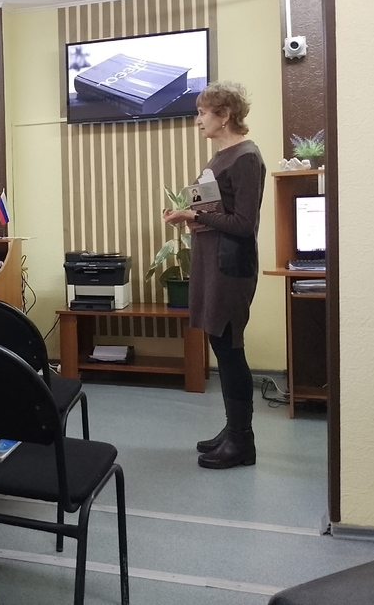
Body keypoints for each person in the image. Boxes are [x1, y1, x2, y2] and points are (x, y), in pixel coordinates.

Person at [162, 82, 266, 470]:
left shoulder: (246, 157)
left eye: (203, 113)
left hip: (231, 267)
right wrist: (190, 216)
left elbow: (243, 224)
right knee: (221, 347)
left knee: (230, 348)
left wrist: (194, 215)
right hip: (212, 263)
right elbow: (213, 209)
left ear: (225, 115)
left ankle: (242, 442)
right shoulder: (221, 156)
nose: (198, 120)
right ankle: (232, 429)